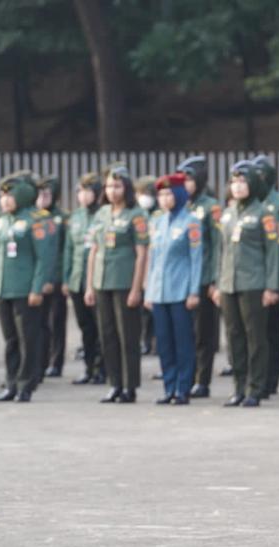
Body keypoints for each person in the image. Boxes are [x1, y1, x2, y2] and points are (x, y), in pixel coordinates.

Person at [0, 172, 54, 401]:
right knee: (10, 340)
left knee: (27, 339)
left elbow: (44, 258)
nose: (4, 200)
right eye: (2, 196)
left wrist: (37, 288)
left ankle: (26, 384)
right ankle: (10, 383)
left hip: (25, 290)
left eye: (9, 195)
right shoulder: (0, 222)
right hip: (4, 289)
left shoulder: (37, 220)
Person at [213, 160, 279, 408]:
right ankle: (238, 387)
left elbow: (272, 252)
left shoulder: (264, 214)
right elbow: (221, 251)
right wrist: (218, 283)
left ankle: (256, 387)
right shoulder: (228, 213)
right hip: (229, 283)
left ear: (252, 184)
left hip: (254, 283)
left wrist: (271, 287)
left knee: (255, 337)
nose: (238, 186)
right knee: (234, 337)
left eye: (242, 181)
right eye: (234, 182)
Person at [85, 165, 150, 404]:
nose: (113, 191)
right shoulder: (101, 213)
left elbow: (142, 253)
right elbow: (94, 249)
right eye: (109, 186)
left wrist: (137, 287)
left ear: (127, 188)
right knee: (108, 334)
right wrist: (90, 285)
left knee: (127, 336)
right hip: (102, 280)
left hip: (124, 281)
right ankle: (114, 383)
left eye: (118, 186)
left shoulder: (136, 214)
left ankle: (129, 385)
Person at [145, 173, 203, 405]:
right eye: (161, 194)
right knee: (164, 342)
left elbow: (196, 258)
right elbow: (153, 257)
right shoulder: (156, 222)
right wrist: (149, 291)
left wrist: (193, 291)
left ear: (179, 195)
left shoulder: (191, 222)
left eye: (169, 193)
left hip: (180, 291)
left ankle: (183, 388)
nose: (164, 198)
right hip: (159, 291)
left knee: (183, 341)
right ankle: (169, 386)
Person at [175, 156, 222, 399]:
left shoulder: (211, 207)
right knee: (184, 332)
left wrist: (215, 279)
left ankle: (202, 380)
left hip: (203, 277)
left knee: (203, 332)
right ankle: (186, 376)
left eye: (189, 179)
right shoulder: (179, 207)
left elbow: (216, 246)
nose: (185, 184)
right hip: (182, 278)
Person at [252, 155, 279, 398]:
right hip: (256, 276)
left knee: (273, 330)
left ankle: (272, 378)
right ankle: (258, 376)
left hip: (275, 275)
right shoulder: (252, 202)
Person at [63, 172, 105, 385]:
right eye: (80, 191)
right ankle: (89, 367)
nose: (83, 196)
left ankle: (102, 368)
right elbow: (69, 249)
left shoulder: (103, 215)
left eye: (88, 191)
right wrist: (66, 277)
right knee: (85, 327)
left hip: (97, 280)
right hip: (77, 279)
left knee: (101, 327)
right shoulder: (76, 217)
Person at [36, 175, 68, 379]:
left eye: (47, 194)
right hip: (38, 278)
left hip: (56, 277)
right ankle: (41, 360)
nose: (43, 197)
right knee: (39, 324)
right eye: (40, 194)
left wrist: (63, 278)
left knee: (56, 322)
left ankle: (56, 362)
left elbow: (66, 250)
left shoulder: (62, 218)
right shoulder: (34, 217)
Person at [134, 175, 158, 357]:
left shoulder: (160, 214)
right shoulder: (137, 214)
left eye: (148, 193)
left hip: (155, 266)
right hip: (139, 267)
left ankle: (155, 341)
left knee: (155, 310)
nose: (145, 197)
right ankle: (144, 340)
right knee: (142, 310)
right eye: (141, 193)